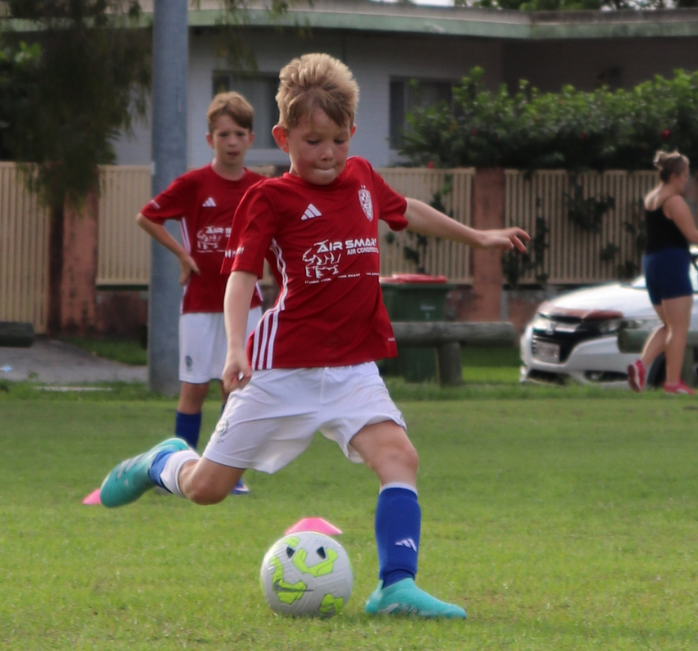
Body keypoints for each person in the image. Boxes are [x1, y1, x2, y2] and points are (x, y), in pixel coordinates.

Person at [100, 53, 530, 619]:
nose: (326, 154)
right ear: (282, 138)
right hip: (282, 369)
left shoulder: (363, 179)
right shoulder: (269, 198)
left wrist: (478, 237)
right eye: (311, 142)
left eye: (336, 139)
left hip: (352, 367)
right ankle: (161, 461)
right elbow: (241, 278)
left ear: (351, 131)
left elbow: (409, 212)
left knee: (399, 456)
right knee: (208, 487)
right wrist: (235, 348)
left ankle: (394, 588)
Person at [136, 90, 268, 491]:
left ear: (251, 138)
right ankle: (181, 470)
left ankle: (231, 475)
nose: (232, 141)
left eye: (240, 133)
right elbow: (147, 217)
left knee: (239, 388)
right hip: (199, 303)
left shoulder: (262, 187)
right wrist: (181, 253)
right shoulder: (194, 183)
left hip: (248, 305)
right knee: (193, 388)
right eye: (224, 134)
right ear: (210, 140)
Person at [628, 150, 698, 395]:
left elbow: (665, 234)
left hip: (652, 262)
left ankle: (641, 365)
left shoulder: (652, 198)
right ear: (674, 176)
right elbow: (691, 234)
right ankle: (672, 382)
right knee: (679, 327)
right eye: (685, 176)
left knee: (668, 324)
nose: (687, 181)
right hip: (671, 263)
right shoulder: (673, 201)